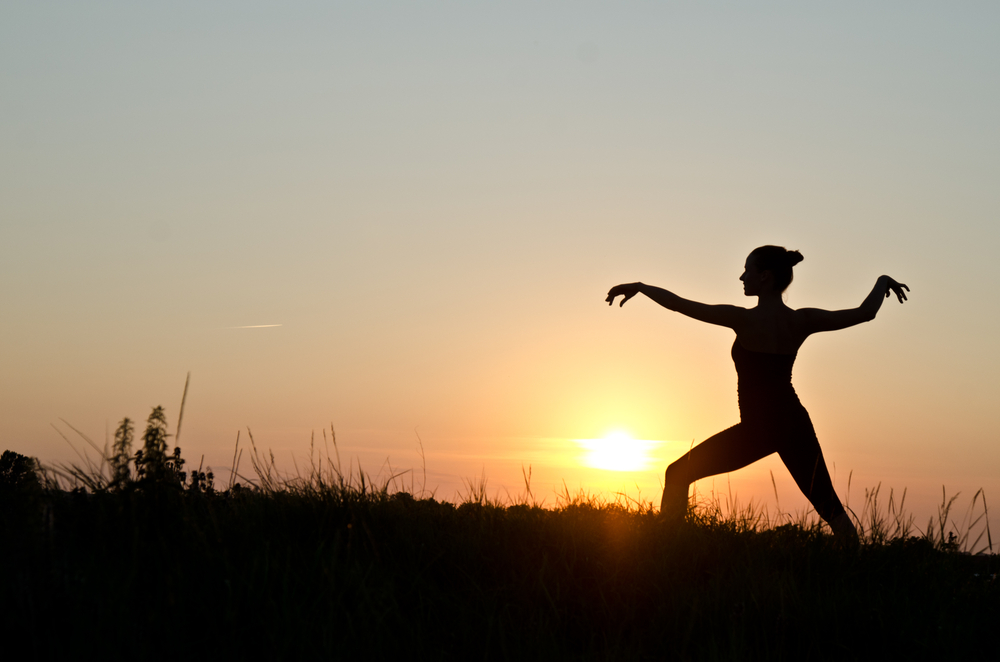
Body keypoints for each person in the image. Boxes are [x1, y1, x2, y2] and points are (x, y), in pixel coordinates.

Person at [605, 246, 909, 538]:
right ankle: (857, 570)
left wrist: (642, 287)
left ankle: (668, 548)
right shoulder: (801, 320)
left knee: (677, 474)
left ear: (764, 277)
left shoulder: (744, 319)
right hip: (793, 424)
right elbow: (865, 313)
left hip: (759, 429)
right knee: (831, 509)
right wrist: (882, 280)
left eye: (747, 270)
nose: (741, 277)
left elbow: (680, 305)